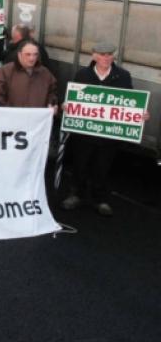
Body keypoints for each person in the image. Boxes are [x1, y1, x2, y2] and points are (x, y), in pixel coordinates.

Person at [62, 42, 150, 216]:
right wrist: (67, 105)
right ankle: (75, 195)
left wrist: (140, 114)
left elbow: (130, 101)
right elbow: (74, 98)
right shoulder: (83, 74)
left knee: (102, 167)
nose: (106, 58)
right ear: (94, 56)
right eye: (102, 54)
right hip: (85, 132)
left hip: (108, 134)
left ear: (113, 56)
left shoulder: (123, 76)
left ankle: (99, 199)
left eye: (109, 54)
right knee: (80, 164)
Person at [0, 39, 57, 111]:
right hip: (12, 119)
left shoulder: (45, 74)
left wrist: (51, 104)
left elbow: (52, 94)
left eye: (35, 54)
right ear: (19, 55)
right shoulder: (4, 72)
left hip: (37, 120)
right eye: (28, 54)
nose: (32, 58)